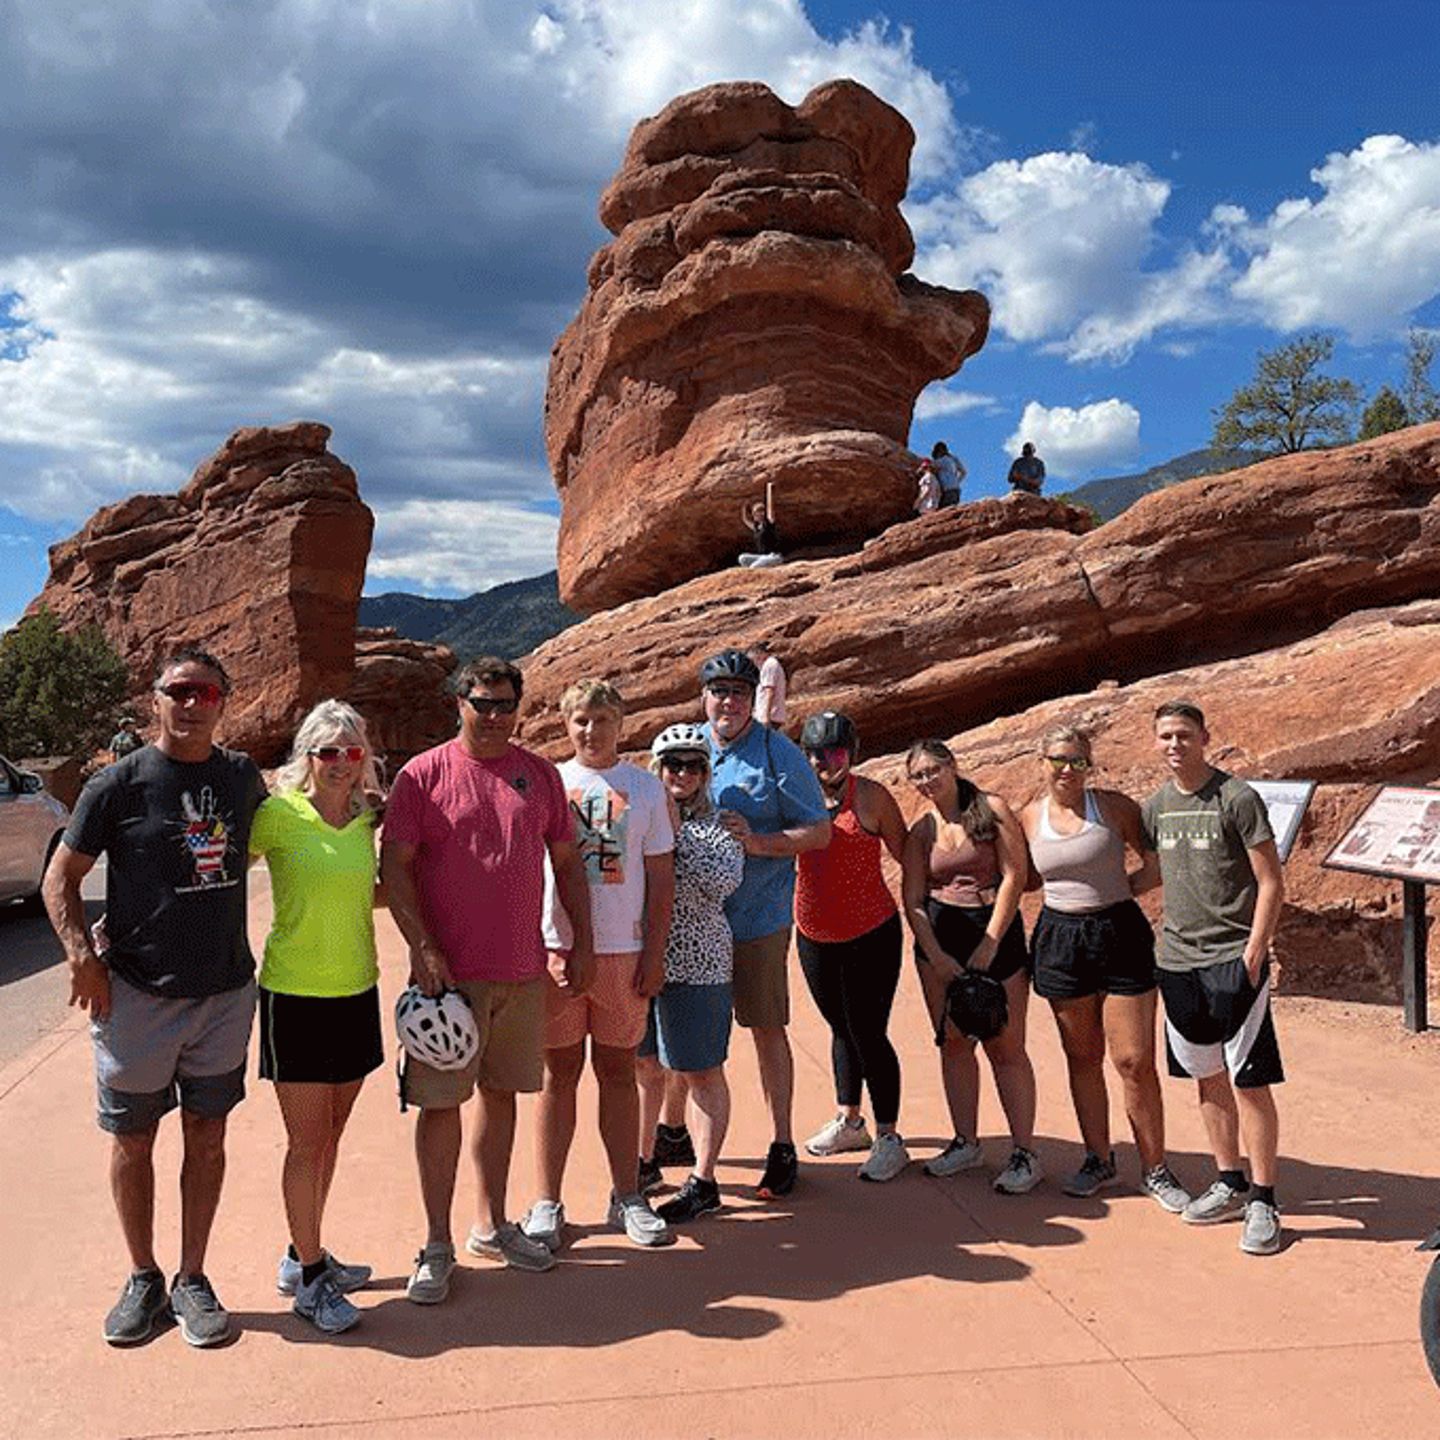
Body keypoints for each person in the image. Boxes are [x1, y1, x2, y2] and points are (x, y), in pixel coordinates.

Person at [43, 646, 266, 1348]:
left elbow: (292, 834)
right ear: (156, 698)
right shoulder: (117, 784)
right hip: (135, 996)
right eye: (180, 691)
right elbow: (59, 877)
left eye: (207, 692)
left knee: (208, 1135)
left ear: (224, 702)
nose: (193, 704)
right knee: (133, 1138)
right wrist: (81, 956)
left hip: (224, 994)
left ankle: (192, 1277)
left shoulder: (242, 778)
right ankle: (143, 1276)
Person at [381, 656, 593, 1302]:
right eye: (483, 703)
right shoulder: (423, 776)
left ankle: (492, 1225)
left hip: (521, 970)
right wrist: (422, 948)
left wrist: (580, 942)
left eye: (506, 705)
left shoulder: (540, 776)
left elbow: (567, 862)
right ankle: (436, 1244)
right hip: (447, 982)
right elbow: (395, 868)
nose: (496, 716)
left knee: (502, 1097)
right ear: (459, 704)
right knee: (440, 1104)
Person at [248, 700, 386, 1335]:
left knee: (329, 1136)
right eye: (327, 751)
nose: (339, 762)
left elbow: (374, 890)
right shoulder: (278, 815)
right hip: (295, 997)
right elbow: (216, 872)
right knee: (306, 1142)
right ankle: (309, 1281)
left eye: (351, 751)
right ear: (307, 755)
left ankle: (301, 1253)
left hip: (356, 990)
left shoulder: (365, 819)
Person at [524, 679, 675, 1251]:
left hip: (624, 954)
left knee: (618, 1074)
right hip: (557, 952)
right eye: (581, 720)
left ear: (621, 723)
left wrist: (654, 953)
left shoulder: (645, 788)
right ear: (567, 724)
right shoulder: (549, 783)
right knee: (557, 1075)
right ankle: (547, 1201)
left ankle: (627, 1195)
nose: (592, 731)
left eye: (603, 719)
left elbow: (661, 878)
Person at [1020, 725, 1190, 1211]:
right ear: (1042, 763)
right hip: (1060, 938)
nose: (1067, 770)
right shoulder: (1029, 817)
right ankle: (1098, 1158)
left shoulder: (1114, 808)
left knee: (1134, 1060)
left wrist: (1120, 891)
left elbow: (1155, 863)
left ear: (1089, 765)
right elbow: (1024, 879)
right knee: (1082, 1056)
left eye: (1077, 761)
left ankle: (1155, 1168)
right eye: (1058, 760)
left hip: (1119, 932)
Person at [1137, 701, 1286, 1256]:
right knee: (1207, 1077)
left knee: (1249, 1079)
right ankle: (1230, 1181)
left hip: (1232, 957)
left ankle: (1264, 1200)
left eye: (1184, 734)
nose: (1174, 744)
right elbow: (1153, 873)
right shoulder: (1156, 807)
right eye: (1165, 736)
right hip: (1177, 961)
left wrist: (1255, 948)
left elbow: (1270, 879)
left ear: (1204, 738)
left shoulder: (1236, 798)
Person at [700, 648, 830, 1198]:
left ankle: (781, 1143)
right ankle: (674, 1132)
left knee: (765, 1027)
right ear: (703, 697)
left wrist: (756, 842)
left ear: (752, 698)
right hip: (695, 921)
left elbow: (818, 831)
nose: (727, 701)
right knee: (689, 1032)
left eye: (738, 692)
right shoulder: (688, 749)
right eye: (719, 691)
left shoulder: (779, 754)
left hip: (757, 917)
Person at [900, 739, 1040, 1193]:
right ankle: (966, 1142)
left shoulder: (991, 809)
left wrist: (989, 944)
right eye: (918, 775)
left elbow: (1015, 875)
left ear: (952, 766)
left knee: (1006, 1044)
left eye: (932, 771)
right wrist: (937, 956)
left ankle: (1024, 1153)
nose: (927, 781)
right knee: (954, 1043)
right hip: (941, 940)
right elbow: (912, 899)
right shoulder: (923, 830)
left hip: (994, 933)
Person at [794, 712, 910, 1182]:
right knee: (840, 1027)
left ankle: (889, 1137)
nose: (824, 762)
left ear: (851, 753)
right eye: (814, 753)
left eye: (835, 752)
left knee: (868, 1031)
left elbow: (908, 854)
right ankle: (850, 1121)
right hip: (814, 934)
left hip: (871, 933)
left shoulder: (871, 797)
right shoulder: (795, 796)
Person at [636, 723, 746, 1221]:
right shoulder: (636, 820)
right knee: (644, 1066)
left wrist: (675, 835)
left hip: (697, 962)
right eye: (672, 765)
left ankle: (703, 1180)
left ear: (705, 773)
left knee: (700, 1070)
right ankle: (644, 1163)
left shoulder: (720, 827)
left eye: (693, 766)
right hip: (639, 958)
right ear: (656, 770)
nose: (681, 774)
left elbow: (723, 882)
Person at [738, 497, 784, 569]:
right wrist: (744, 507)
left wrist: (769, 494)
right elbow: (745, 520)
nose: (753, 515)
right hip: (762, 557)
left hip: (774, 556)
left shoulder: (768, 524)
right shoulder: (756, 527)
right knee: (742, 558)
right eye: (753, 513)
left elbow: (770, 512)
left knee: (754, 567)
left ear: (762, 513)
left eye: (755, 513)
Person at [750, 642, 787, 730]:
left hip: (770, 717)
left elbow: (769, 691)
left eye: (753, 659)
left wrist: (766, 716)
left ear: (759, 654)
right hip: (769, 716)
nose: (754, 663)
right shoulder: (771, 665)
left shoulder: (769, 665)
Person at [932, 442, 966, 507]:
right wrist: (957, 481)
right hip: (956, 489)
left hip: (948, 490)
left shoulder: (941, 460)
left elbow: (930, 466)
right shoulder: (953, 459)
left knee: (945, 508)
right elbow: (964, 472)